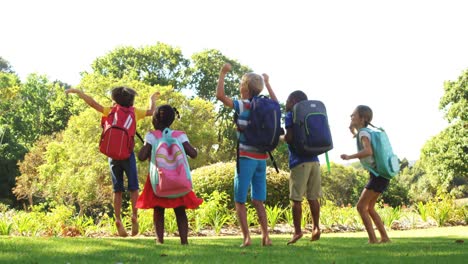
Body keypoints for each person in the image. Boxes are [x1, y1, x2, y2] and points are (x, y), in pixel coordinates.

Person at [66, 87, 158, 237]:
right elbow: (151, 111)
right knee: (133, 187)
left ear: (115, 99)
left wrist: (80, 93)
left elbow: (93, 104)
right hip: (127, 155)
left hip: (113, 156)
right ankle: (135, 215)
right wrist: (152, 98)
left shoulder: (110, 110)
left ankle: (118, 218)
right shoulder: (135, 112)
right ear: (131, 100)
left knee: (117, 190)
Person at [216, 63, 276, 247]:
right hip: (262, 159)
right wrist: (268, 83)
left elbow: (220, 96)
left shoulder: (244, 105)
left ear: (244, 88)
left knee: (239, 200)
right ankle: (266, 237)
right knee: (258, 200)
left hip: (246, 157)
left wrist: (222, 73)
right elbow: (276, 103)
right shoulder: (267, 105)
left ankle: (247, 238)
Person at [136, 104, 203, 245]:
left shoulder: (152, 136)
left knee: (158, 210)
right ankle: (184, 242)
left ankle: (160, 241)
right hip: (178, 178)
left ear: (154, 119)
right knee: (180, 211)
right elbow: (193, 154)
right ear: (172, 119)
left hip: (158, 179)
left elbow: (142, 156)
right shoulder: (179, 135)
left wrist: (144, 148)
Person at [340, 105, 391, 244]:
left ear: (363, 119)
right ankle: (385, 238)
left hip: (377, 176)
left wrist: (349, 157)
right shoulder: (365, 132)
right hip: (382, 175)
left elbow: (368, 151)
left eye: (353, 115)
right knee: (370, 207)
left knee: (361, 207)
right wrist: (353, 131)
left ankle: (373, 239)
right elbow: (362, 139)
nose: (351, 116)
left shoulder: (363, 133)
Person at [283, 90, 322, 245]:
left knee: (296, 199)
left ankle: (297, 231)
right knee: (313, 197)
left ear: (293, 101)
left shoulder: (291, 115)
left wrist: (281, 138)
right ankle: (316, 227)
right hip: (315, 161)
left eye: (287, 100)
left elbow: (290, 137)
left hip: (299, 161)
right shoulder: (309, 115)